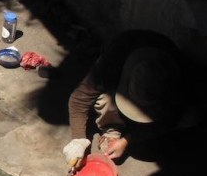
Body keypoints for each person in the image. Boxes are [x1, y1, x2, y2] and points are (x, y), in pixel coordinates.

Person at [63, 29, 187, 167]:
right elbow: (79, 99)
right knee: (103, 99)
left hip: (171, 87)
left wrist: (127, 140)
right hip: (119, 60)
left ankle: (132, 124)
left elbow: (169, 121)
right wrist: (78, 140)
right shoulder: (113, 61)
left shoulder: (181, 77)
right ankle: (112, 128)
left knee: (190, 118)